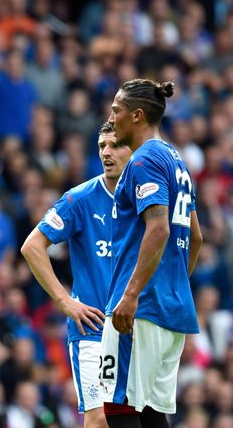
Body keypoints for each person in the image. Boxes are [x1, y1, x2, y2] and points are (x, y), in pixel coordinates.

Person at [101, 79, 203, 428]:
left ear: (138, 115)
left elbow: (158, 228)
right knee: (150, 412)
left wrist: (132, 295)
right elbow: (197, 237)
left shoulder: (143, 160)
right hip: (172, 310)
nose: (112, 118)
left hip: (140, 309)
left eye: (117, 110)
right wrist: (171, 287)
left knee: (119, 406)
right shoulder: (177, 159)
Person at [21, 122, 132, 428]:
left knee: (137, 416)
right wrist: (65, 302)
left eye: (114, 145)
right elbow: (32, 247)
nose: (106, 153)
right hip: (93, 327)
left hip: (134, 327)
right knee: (98, 418)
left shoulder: (145, 200)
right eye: (101, 146)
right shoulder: (80, 199)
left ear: (132, 149)